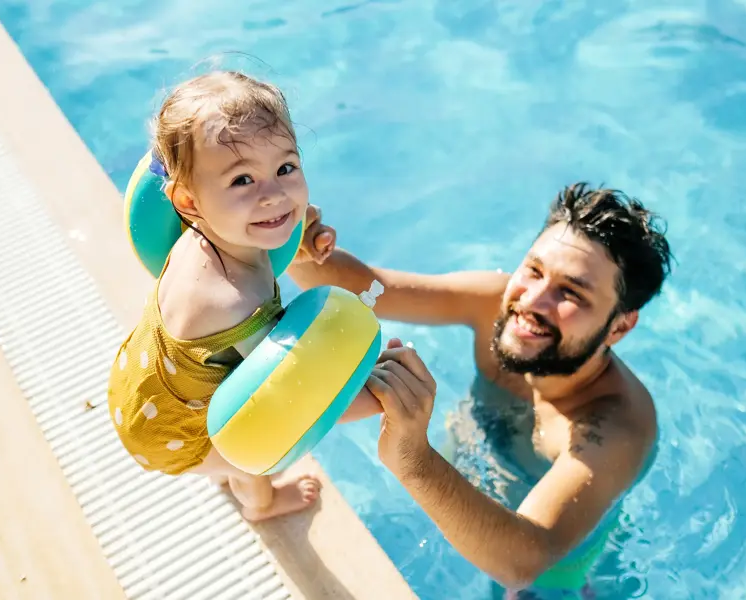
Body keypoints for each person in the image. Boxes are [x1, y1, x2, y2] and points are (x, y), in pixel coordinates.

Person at [287, 183, 673, 597]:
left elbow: (524, 560)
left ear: (620, 326)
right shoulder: (495, 303)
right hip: (467, 486)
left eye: (571, 293)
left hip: (552, 574)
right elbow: (366, 288)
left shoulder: (615, 424)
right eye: (534, 270)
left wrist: (411, 457)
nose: (533, 302)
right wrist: (292, 245)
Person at [106, 71, 381, 522]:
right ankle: (261, 507)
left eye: (285, 168)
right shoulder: (234, 303)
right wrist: (375, 392)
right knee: (248, 457)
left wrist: (303, 238)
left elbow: (270, 225)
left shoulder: (199, 232)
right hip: (173, 433)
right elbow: (288, 398)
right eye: (242, 181)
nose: (274, 196)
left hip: (137, 386)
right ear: (189, 201)